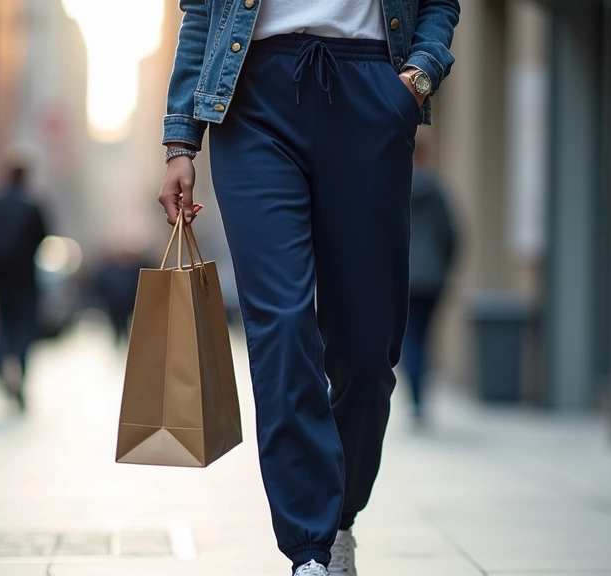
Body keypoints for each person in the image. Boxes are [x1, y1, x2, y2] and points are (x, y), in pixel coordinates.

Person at [157, 2, 460, 575]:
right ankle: (309, 549)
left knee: (367, 354)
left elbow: (440, 4)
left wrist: (417, 77)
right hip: (252, 99)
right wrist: (180, 141)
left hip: (372, 88)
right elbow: (202, 11)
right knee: (283, 323)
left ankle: (340, 513)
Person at [0, 150, 48, 411]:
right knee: (23, 330)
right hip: (25, 280)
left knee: (2, 326)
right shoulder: (32, 206)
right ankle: (21, 380)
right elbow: (43, 238)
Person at [401, 140, 458, 427]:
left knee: (408, 338)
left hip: (403, 277)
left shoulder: (392, 186)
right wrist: (443, 268)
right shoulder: (435, 189)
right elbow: (451, 233)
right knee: (423, 338)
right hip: (431, 278)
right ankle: (420, 400)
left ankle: (416, 402)